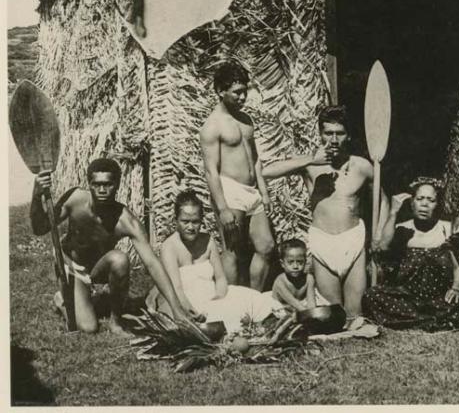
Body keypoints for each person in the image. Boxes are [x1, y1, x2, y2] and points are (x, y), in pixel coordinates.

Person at [30, 158, 191, 335]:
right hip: (71, 266)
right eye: (96, 184)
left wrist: (177, 310)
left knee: (120, 259)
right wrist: (37, 194)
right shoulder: (75, 200)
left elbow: (152, 264)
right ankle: (63, 298)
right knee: (89, 327)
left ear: (118, 185)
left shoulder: (126, 221)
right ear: (89, 184)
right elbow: (40, 228)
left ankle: (116, 321)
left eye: (108, 184)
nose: (102, 190)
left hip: (98, 268)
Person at [263, 105, 389, 325]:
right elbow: (267, 172)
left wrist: (378, 233)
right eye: (327, 133)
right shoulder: (310, 164)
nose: (333, 139)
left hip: (353, 242)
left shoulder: (362, 166)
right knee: (333, 317)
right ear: (320, 134)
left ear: (348, 135)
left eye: (339, 133)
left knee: (354, 316)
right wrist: (311, 159)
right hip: (323, 242)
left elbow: (384, 199)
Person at [362, 177, 459, 331]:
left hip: (439, 296)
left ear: (438, 204)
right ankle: (434, 320)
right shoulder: (402, 229)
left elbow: (458, 265)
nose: (424, 204)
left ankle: (414, 320)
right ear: (412, 202)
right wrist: (393, 212)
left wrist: (455, 288)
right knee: (372, 296)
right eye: (420, 198)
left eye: (431, 200)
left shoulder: (448, 229)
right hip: (408, 295)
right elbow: (383, 247)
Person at [146, 190, 275, 332]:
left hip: (212, 295)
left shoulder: (208, 241)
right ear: (175, 220)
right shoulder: (169, 247)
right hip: (185, 301)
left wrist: (219, 297)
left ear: (202, 220)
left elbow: (220, 278)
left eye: (195, 222)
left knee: (254, 300)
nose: (190, 227)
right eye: (185, 222)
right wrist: (190, 309)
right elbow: (177, 288)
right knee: (221, 318)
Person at [200, 61, 274, 290]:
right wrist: (222, 208)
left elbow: (255, 159)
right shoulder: (212, 126)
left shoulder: (246, 120)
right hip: (230, 190)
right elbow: (211, 170)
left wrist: (263, 190)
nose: (243, 98)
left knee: (267, 247)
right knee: (232, 250)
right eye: (237, 93)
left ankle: (252, 301)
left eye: (245, 92)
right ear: (221, 91)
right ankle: (231, 306)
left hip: (252, 191)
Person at [272, 238, 327, 312]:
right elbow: (293, 303)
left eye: (300, 262)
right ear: (282, 264)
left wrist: (312, 312)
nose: (295, 266)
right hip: (283, 309)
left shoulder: (309, 279)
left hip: (301, 309)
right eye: (290, 262)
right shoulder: (280, 281)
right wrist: (309, 314)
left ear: (305, 261)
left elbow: (311, 302)